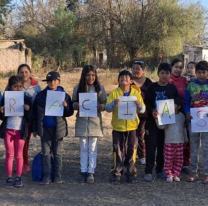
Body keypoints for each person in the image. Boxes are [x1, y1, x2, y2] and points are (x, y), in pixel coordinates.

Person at [32, 71, 74, 185]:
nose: (52, 83)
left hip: (58, 129)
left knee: (57, 153)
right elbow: (35, 113)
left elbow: (69, 112)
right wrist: (35, 129)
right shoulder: (40, 96)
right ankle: (46, 176)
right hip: (45, 128)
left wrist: (66, 107)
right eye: (50, 81)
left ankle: (57, 175)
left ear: (59, 82)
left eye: (55, 80)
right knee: (45, 153)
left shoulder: (64, 95)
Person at [106, 70, 145, 184]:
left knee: (131, 150)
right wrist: (113, 104)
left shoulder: (136, 94)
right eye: (121, 77)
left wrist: (139, 105)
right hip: (118, 127)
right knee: (117, 150)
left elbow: (143, 110)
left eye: (127, 77)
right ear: (118, 80)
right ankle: (117, 172)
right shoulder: (114, 93)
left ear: (131, 80)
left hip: (132, 127)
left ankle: (131, 173)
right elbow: (107, 108)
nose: (124, 79)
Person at [144, 63, 179, 182]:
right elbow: (146, 103)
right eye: (162, 73)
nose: (164, 75)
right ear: (158, 74)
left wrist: (176, 106)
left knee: (162, 145)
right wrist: (152, 111)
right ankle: (148, 171)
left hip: (167, 122)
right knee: (151, 145)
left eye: (167, 73)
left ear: (170, 75)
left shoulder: (172, 88)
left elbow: (177, 101)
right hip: (152, 121)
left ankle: (160, 170)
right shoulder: (152, 87)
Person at [72, 65, 107, 184]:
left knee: (92, 148)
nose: (91, 77)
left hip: (94, 122)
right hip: (82, 121)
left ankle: (91, 171)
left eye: (93, 75)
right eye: (88, 75)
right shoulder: (78, 88)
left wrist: (101, 107)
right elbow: (73, 102)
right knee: (83, 147)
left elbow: (105, 104)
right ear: (84, 75)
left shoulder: (99, 88)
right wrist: (75, 105)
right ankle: (83, 171)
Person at [0, 76, 33, 187]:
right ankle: (9, 177)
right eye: (15, 87)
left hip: (20, 131)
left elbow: (30, 117)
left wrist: (28, 109)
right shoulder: (6, 98)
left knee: (19, 155)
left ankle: (18, 176)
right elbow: (1, 117)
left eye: (20, 87)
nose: (18, 89)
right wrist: (1, 111)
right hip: (8, 130)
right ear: (10, 87)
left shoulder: (26, 98)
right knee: (9, 154)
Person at [184, 61, 208, 184]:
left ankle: (207, 173)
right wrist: (187, 113)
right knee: (193, 147)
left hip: (206, 123)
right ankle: (193, 172)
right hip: (193, 121)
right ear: (196, 72)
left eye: (204, 72)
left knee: (206, 148)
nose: (201, 74)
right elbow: (186, 102)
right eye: (199, 72)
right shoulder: (191, 86)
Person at [155, 98, 187, 183]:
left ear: (179, 106)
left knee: (179, 159)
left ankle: (176, 174)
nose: (172, 106)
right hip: (169, 141)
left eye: (174, 104)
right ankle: (169, 174)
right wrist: (157, 117)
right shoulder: (166, 115)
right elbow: (161, 127)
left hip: (180, 141)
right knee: (168, 159)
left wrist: (186, 139)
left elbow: (184, 128)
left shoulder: (182, 116)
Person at [17, 64, 41, 174]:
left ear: (30, 73)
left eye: (26, 71)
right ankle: (20, 162)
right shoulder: (14, 84)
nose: (24, 74)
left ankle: (24, 163)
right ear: (18, 74)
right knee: (19, 142)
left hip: (30, 119)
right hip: (17, 119)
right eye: (21, 72)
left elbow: (38, 104)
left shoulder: (36, 87)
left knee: (25, 141)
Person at [169, 59, 190, 174]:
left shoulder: (186, 81)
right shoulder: (167, 79)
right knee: (170, 139)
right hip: (169, 113)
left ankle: (185, 163)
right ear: (171, 67)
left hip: (184, 113)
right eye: (176, 67)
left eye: (180, 68)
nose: (178, 69)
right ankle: (169, 163)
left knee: (185, 139)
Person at [132, 61, 152, 165]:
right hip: (130, 114)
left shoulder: (148, 82)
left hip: (144, 114)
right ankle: (131, 154)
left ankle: (142, 155)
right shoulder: (128, 81)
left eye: (138, 69)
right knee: (131, 135)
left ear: (143, 71)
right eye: (133, 68)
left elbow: (153, 96)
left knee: (142, 134)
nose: (135, 71)